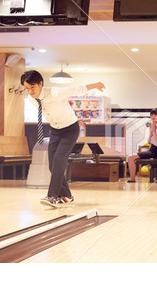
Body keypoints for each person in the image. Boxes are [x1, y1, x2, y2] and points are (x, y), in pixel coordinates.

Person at [21, 70, 105, 207]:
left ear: (40, 84)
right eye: (26, 88)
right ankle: (67, 195)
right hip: (55, 130)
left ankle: (52, 196)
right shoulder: (31, 98)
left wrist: (96, 84)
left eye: (32, 87)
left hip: (70, 129)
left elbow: (76, 89)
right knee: (52, 165)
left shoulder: (55, 93)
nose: (30, 91)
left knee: (59, 159)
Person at [127, 108, 157, 182]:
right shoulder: (153, 125)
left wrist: (154, 130)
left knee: (131, 157)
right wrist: (151, 130)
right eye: (151, 115)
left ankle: (132, 179)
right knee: (130, 157)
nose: (153, 117)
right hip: (152, 149)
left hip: (156, 151)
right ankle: (132, 178)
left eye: (155, 115)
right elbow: (149, 141)